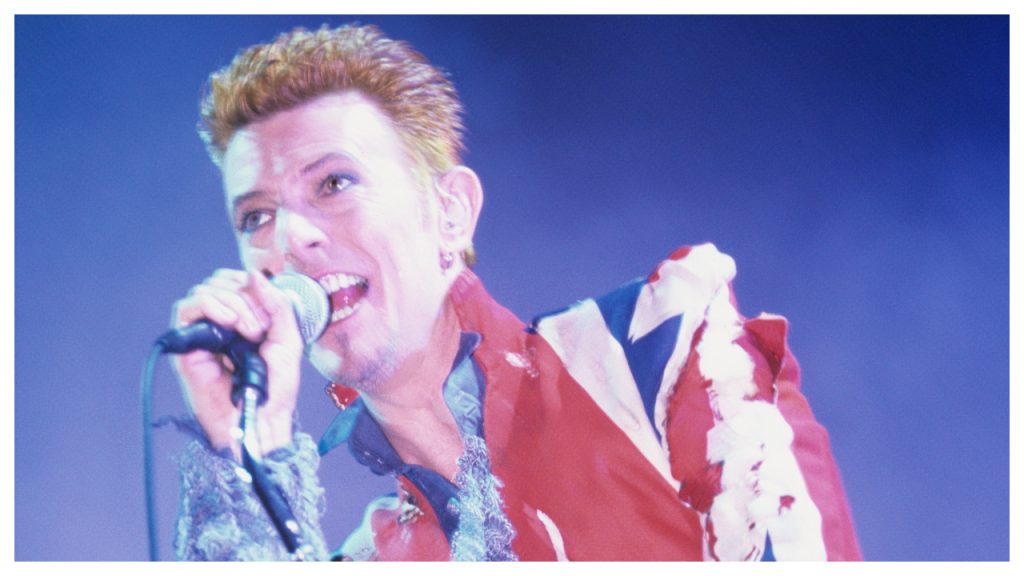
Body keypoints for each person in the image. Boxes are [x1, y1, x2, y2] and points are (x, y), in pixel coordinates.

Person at [169, 23, 862, 561]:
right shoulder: (375, 556)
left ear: (450, 213)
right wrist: (247, 455)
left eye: (333, 183)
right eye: (255, 217)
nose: (289, 240)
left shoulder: (658, 351)